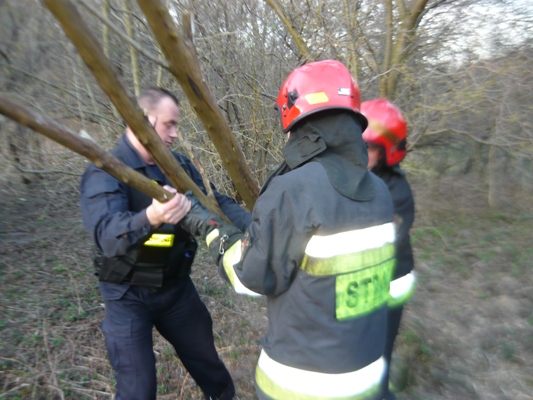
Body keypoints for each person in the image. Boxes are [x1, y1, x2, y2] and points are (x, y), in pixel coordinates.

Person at [180, 60, 396, 399]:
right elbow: (298, 240)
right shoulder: (380, 191)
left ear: (295, 121)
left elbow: (249, 276)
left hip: (301, 385)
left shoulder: (291, 190)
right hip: (368, 377)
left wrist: (209, 229)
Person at [79, 87, 251, 400]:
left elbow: (216, 201)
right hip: (128, 294)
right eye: (168, 125)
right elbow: (106, 236)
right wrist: (151, 216)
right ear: (142, 121)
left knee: (211, 369)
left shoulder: (178, 166)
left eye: (176, 125)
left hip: (175, 290)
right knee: (138, 389)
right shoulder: (106, 172)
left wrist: (255, 227)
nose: (174, 134)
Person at [361, 98, 416, 400]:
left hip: (389, 284)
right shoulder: (364, 177)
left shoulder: (397, 193)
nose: (359, 151)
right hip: (367, 283)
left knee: (378, 356)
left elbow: (373, 242)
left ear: (387, 151)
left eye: (368, 147)